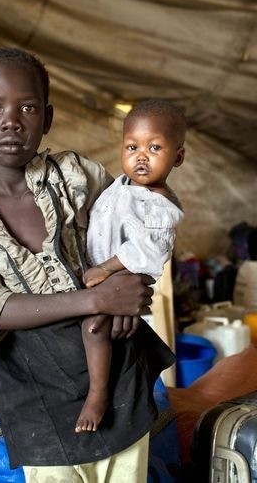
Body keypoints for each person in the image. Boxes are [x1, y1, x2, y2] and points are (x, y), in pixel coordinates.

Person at [0, 47, 175, 482]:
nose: (11, 120)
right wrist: (96, 298)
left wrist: (129, 288)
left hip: (116, 366)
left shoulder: (81, 177)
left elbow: (145, 227)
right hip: (34, 387)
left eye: (27, 107)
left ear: (48, 118)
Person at [78, 99, 186, 433]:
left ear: (178, 157)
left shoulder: (161, 207)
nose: (141, 156)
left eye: (155, 147)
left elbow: (145, 251)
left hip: (120, 276)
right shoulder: (123, 185)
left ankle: (98, 394)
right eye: (132, 146)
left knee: (94, 328)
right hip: (99, 272)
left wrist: (107, 269)